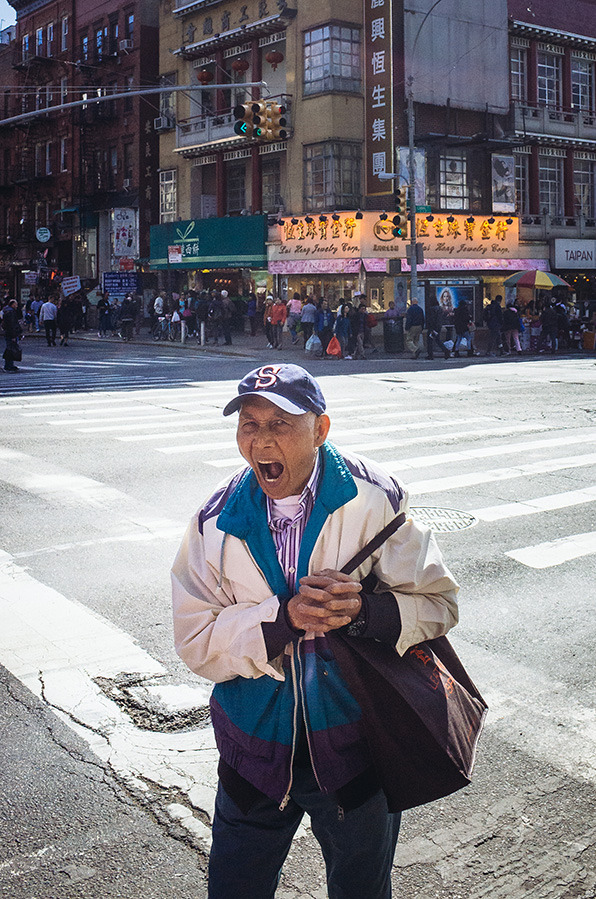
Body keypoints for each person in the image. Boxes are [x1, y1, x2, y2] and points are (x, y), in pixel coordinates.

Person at [172, 364, 459, 899]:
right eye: (249, 424)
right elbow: (194, 639)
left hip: (354, 745)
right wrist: (281, 621)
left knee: (362, 889)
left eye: (280, 423)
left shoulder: (374, 499)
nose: (260, 440)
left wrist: (364, 612)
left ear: (320, 430)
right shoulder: (215, 520)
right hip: (253, 750)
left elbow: (438, 603)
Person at [2, 299, 22, 372]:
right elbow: (12, 324)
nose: (17, 306)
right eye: (16, 304)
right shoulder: (11, 312)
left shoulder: (6, 311)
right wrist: (14, 335)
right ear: (13, 304)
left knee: (10, 348)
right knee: (10, 349)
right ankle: (8, 365)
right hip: (11, 333)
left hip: (8, 332)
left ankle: (9, 364)